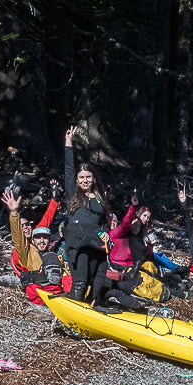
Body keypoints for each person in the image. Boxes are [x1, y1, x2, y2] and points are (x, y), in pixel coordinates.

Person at [64, 127, 111, 301]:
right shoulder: (73, 195)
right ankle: (72, 309)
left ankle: (89, 307)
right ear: (77, 180)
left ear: (93, 178)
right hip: (77, 243)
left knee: (93, 281)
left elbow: (104, 222)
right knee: (80, 282)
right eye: (82, 177)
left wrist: (105, 232)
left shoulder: (100, 198)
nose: (85, 180)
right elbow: (69, 169)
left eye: (88, 177)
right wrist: (69, 143)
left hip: (95, 243)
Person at [1, 188, 65, 300]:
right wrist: (14, 213)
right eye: (21, 226)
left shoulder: (39, 240)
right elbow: (18, 238)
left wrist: (55, 200)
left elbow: (45, 222)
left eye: (27, 224)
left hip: (57, 292)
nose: (25, 227)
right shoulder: (23, 251)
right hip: (41, 295)